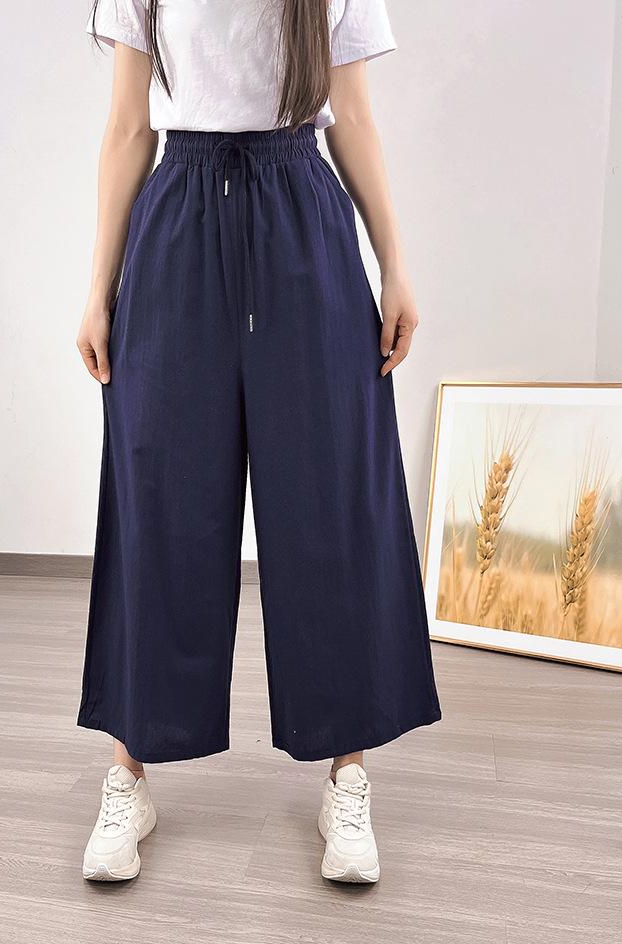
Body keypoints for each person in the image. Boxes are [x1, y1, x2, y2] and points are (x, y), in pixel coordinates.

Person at [76, 0, 441, 884]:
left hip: (302, 214)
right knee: (160, 495)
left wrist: (394, 265)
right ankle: (129, 775)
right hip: (178, 214)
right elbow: (128, 127)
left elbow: (352, 118)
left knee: (328, 499)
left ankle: (346, 776)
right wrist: (96, 290)